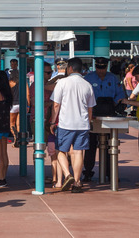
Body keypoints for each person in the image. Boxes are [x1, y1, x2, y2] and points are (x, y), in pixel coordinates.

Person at [51, 57, 95, 193]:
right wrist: (88, 121)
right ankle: (76, 182)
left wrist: (53, 121)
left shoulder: (62, 83)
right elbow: (90, 107)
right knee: (78, 152)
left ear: (70, 68)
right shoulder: (87, 84)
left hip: (66, 123)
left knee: (59, 150)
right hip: (82, 124)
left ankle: (67, 174)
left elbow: (56, 104)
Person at [82, 57, 124, 181]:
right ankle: (88, 171)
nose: (101, 70)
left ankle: (109, 172)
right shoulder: (89, 78)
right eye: (99, 68)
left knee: (109, 145)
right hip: (93, 114)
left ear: (107, 67)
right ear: (96, 67)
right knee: (90, 145)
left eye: (103, 67)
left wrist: (117, 103)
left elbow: (120, 93)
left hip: (109, 114)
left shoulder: (113, 78)